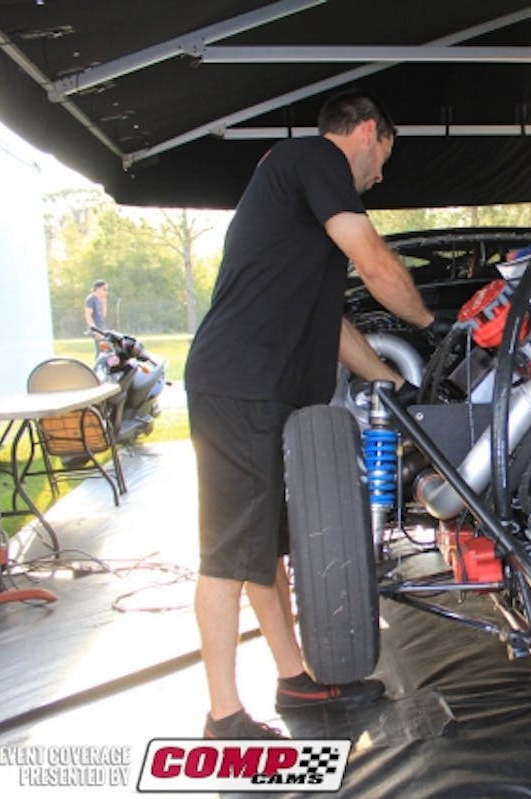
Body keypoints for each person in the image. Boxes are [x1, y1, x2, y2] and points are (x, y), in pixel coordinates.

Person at [184, 89, 439, 739]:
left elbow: (330, 325)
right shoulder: (316, 159)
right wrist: (437, 326)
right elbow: (377, 263)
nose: (380, 175)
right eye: (384, 155)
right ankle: (223, 717)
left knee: (261, 547)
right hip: (240, 387)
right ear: (365, 132)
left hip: (253, 388)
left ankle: (295, 678)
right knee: (224, 554)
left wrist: (392, 381)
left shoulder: (299, 189)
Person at [84, 279, 107, 344]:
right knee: (101, 351)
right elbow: (88, 316)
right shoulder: (90, 299)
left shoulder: (99, 300)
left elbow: (103, 317)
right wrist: (95, 330)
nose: (105, 292)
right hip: (96, 329)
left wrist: (104, 303)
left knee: (106, 350)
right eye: (104, 289)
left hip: (101, 328)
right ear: (97, 288)